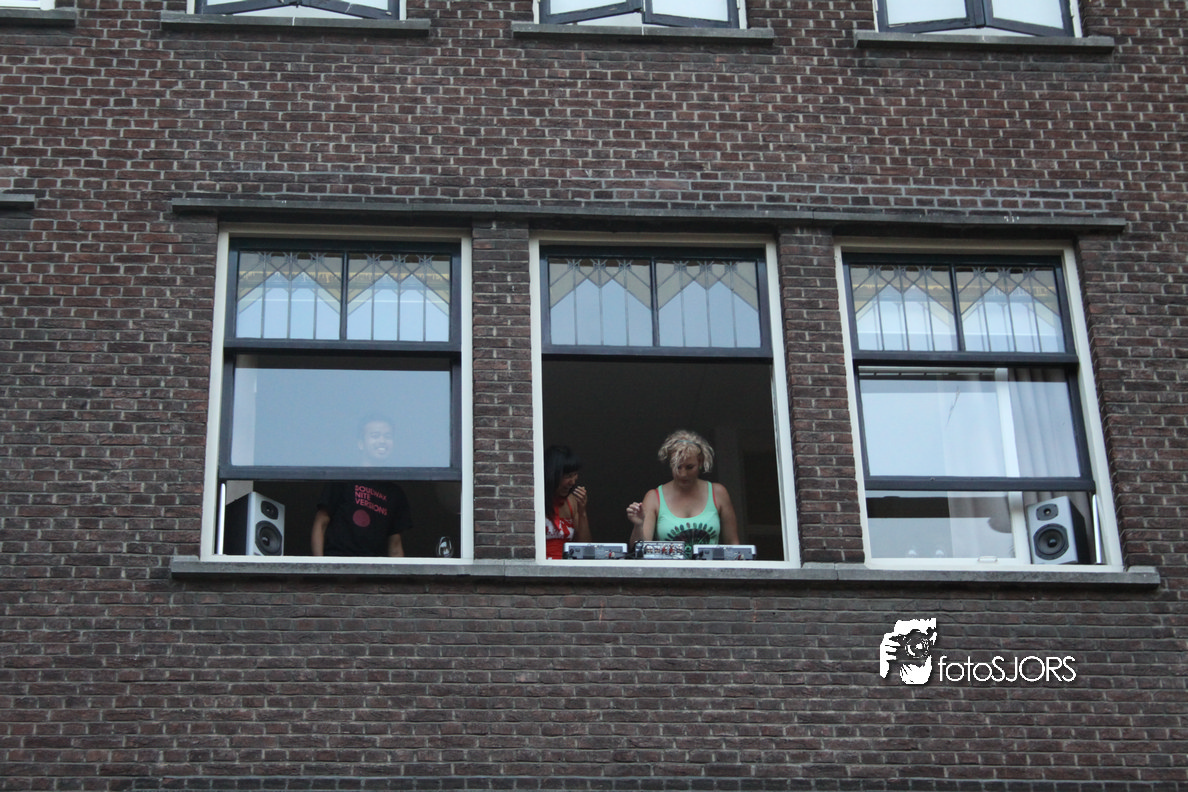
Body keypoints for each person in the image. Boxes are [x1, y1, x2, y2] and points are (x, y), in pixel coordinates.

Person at [311, 415, 412, 557]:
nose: (382, 441)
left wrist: (398, 572)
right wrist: (320, 567)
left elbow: (395, 545)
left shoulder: (395, 493)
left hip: (375, 568)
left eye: (387, 436)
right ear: (361, 443)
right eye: (375, 435)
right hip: (339, 563)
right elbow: (321, 524)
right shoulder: (343, 478)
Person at [626, 429, 739, 553]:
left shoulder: (718, 493)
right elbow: (639, 550)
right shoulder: (654, 497)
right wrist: (638, 525)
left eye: (689, 467)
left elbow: (733, 545)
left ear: (700, 462)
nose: (683, 474)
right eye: (678, 467)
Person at [544, 445, 591, 559]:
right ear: (552, 475)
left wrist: (582, 512)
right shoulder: (535, 501)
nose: (573, 482)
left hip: (565, 566)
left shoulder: (571, 501)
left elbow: (584, 548)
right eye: (568, 476)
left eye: (575, 475)